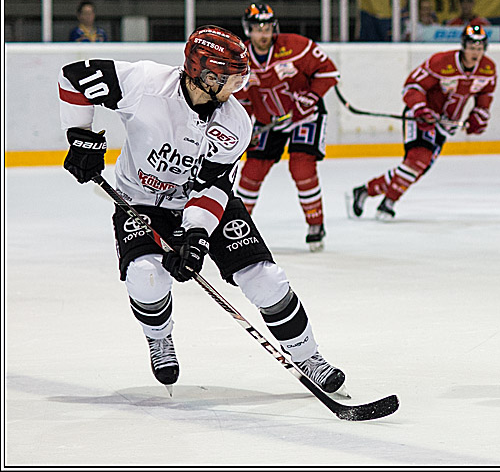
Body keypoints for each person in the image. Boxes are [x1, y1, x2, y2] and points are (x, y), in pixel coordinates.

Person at [57, 25, 347, 394]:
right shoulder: (144, 83)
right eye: (233, 78)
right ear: (207, 76)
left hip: (204, 202)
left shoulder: (236, 123)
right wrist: (82, 136)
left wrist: (195, 236)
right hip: (141, 200)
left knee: (265, 279)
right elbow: (74, 77)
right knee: (146, 276)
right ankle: (159, 338)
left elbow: (213, 186)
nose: (240, 86)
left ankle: (308, 356)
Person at [347, 25, 496, 220]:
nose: (475, 53)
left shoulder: (487, 69)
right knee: (418, 159)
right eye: (471, 48)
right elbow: (412, 86)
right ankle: (388, 203)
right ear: (463, 46)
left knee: (417, 169)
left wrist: (479, 115)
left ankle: (365, 191)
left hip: (445, 125)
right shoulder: (441, 62)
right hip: (421, 118)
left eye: (480, 48)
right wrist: (421, 110)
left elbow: (485, 95)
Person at [233, 4, 340, 252]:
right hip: (268, 121)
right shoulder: (240, 60)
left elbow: (329, 72)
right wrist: (244, 129)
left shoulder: (296, 46)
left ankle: (315, 224)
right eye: (258, 28)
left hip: (305, 117)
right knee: (252, 171)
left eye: (267, 28)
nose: (263, 34)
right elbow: (241, 101)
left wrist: (311, 97)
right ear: (248, 30)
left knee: (301, 167)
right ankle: (237, 226)